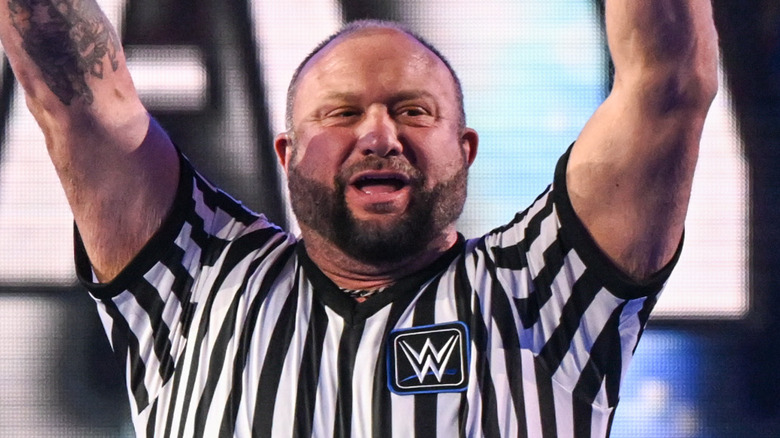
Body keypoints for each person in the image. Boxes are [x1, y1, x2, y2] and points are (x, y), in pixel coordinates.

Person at [0, 0, 718, 437]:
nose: (380, 134)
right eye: (342, 113)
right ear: (286, 154)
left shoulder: (542, 294)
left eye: (414, 110)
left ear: (465, 150)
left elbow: (669, 81)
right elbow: (77, 96)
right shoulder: (195, 282)